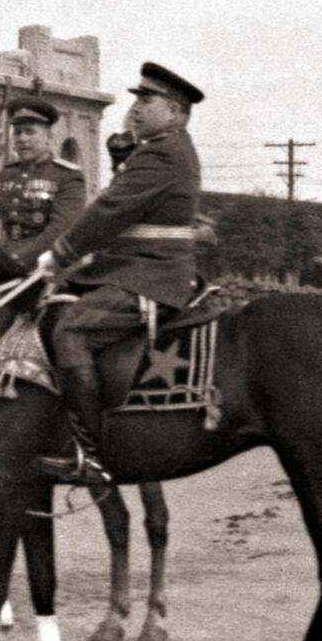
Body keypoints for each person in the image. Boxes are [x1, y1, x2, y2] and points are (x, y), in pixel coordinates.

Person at [38, 62, 204, 484]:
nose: (135, 108)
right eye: (135, 99)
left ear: (176, 113)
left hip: (150, 275)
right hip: (132, 269)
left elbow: (111, 210)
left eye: (147, 101)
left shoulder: (164, 151)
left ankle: (95, 452)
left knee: (70, 330)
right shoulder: (160, 148)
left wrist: (59, 254)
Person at [0, 95, 86, 265]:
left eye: (30, 131)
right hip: (8, 260)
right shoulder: (10, 174)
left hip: (47, 265)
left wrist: (17, 259)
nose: (22, 139)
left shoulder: (67, 176)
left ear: (49, 135)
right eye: (17, 132)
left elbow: (60, 230)